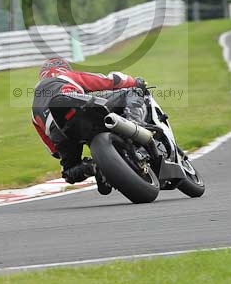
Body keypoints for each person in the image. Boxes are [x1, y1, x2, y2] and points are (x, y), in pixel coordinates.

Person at [30, 57, 148, 193]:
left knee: (69, 172)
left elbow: (53, 150)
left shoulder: (34, 109)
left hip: (58, 131)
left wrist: (66, 149)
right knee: (132, 92)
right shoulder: (65, 77)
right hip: (76, 106)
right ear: (63, 69)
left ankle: (93, 167)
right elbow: (109, 81)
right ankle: (134, 125)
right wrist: (135, 82)